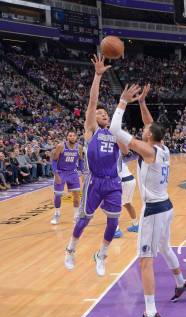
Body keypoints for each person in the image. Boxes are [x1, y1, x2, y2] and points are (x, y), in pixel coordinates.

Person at [110, 83, 186, 317]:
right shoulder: (162, 148)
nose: (144, 128)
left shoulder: (146, 150)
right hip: (166, 206)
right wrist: (143, 103)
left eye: (145, 129)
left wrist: (123, 101)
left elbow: (115, 128)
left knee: (145, 261)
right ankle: (180, 282)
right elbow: (152, 124)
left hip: (154, 210)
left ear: (147, 136)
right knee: (164, 246)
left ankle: (151, 312)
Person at [64, 55, 130, 276]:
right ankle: (71, 249)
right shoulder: (91, 130)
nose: (103, 115)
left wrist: (116, 131)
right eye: (101, 114)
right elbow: (93, 102)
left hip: (113, 181)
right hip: (94, 181)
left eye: (106, 114)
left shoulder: (114, 132)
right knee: (84, 220)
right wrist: (97, 76)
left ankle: (101, 255)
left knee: (113, 222)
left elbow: (126, 151)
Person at [50, 131, 84, 225]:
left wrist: (82, 173)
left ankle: (76, 216)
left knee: (76, 195)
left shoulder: (79, 147)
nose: (72, 137)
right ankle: (57, 214)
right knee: (58, 195)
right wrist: (56, 174)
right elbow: (54, 161)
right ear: (67, 137)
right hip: (61, 172)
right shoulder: (61, 146)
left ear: (76, 137)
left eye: (73, 136)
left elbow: (81, 161)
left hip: (73, 173)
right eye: (70, 135)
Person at [113, 152, 139, 238]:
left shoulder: (109, 158)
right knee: (127, 203)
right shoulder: (118, 155)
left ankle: (116, 230)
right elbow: (132, 156)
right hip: (131, 180)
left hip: (122, 180)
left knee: (113, 205)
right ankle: (136, 225)